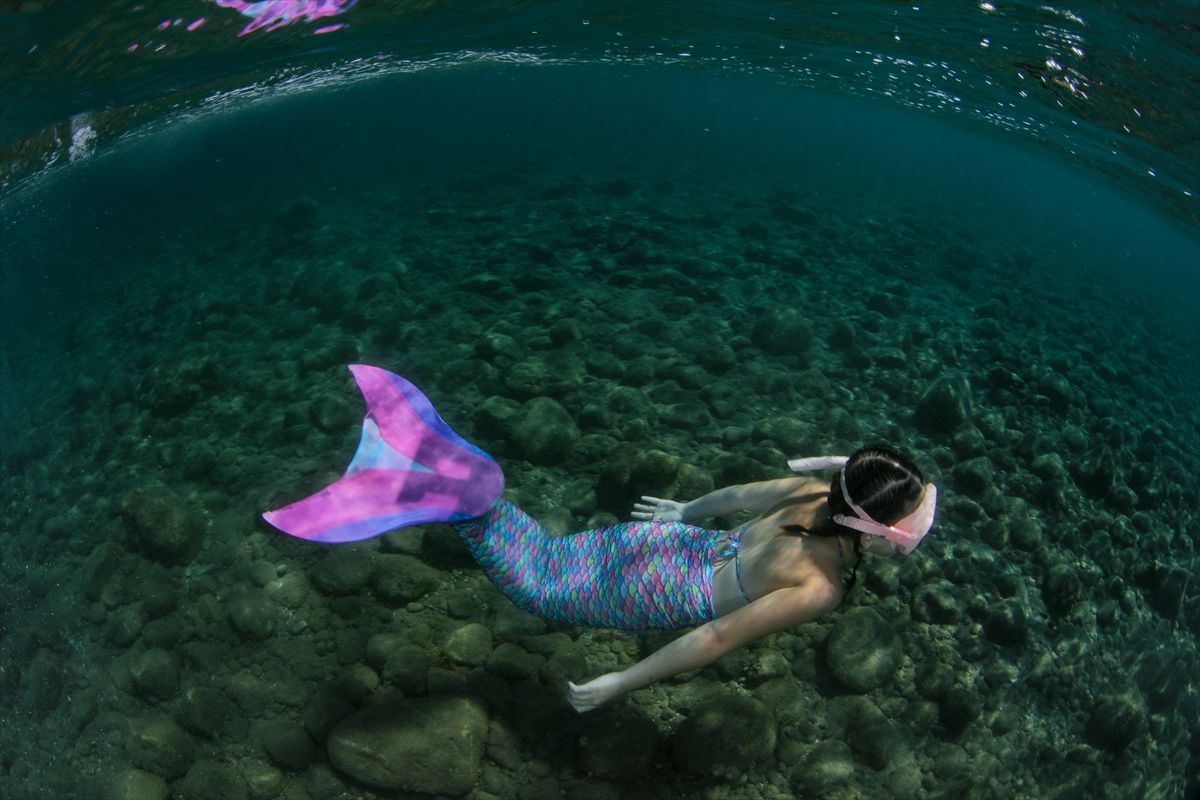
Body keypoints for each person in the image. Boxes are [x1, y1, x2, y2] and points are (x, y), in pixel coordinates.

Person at [263, 365, 937, 714]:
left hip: (664, 547)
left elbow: (732, 499)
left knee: (552, 558)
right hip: (667, 589)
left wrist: (680, 513)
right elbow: (714, 639)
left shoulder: (813, 492)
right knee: (539, 588)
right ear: (880, 528)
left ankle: (446, 473)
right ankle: (441, 497)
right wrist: (622, 681)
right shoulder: (819, 585)